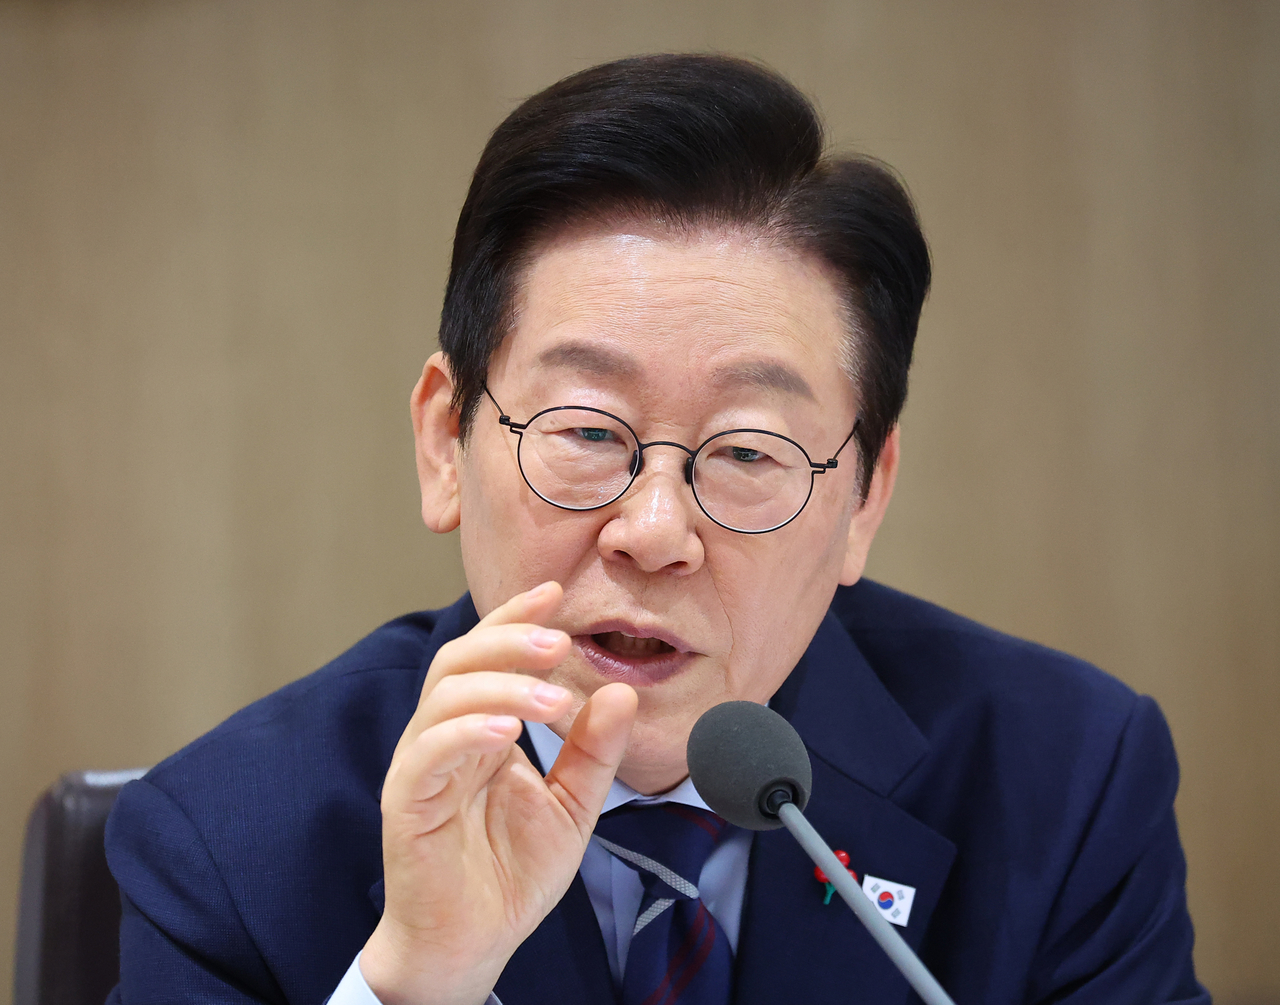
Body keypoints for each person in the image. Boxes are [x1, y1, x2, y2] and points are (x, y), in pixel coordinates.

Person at [104, 54, 1209, 1005]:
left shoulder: (1065, 785)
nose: (653, 531)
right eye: (588, 432)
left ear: (864, 498)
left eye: (747, 452)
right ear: (446, 441)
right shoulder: (229, 844)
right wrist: (418, 981)